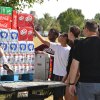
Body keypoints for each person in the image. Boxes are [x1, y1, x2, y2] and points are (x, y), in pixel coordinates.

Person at [32, 24, 71, 100]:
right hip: (55, 75)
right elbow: (43, 40)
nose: (59, 36)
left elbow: (69, 65)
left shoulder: (69, 50)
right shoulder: (57, 46)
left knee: (60, 96)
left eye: (61, 36)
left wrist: (66, 77)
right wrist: (34, 31)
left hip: (63, 76)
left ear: (65, 38)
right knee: (56, 96)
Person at [69, 20, 100, 100]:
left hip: (86, 84)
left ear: (86, 29)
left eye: (83, 28)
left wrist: (71, 84)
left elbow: (74, 66)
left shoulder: (81, 44)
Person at [62, 25, 81, 100]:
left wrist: (69, 81)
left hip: (74, 80)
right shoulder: (75, 44)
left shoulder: (76, 46)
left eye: (68, 32)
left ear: (71, 33)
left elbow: (76, 67)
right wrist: (66, 76)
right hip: (73, 78)